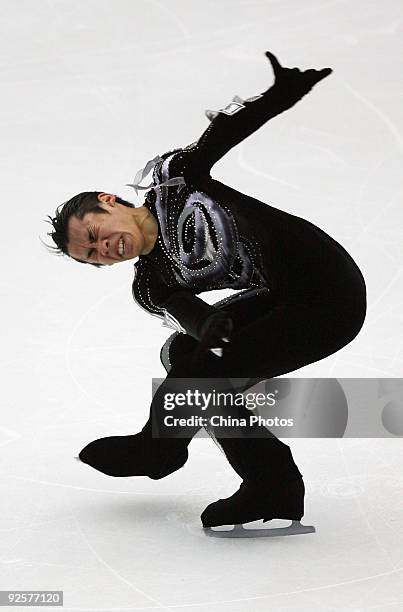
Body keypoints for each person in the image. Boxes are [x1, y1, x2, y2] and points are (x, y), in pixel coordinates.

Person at [45, 51, 366, 535]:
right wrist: (208, 335)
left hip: (331, 295)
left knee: (207, 374)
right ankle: (252, 478)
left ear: (108, 202)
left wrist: (279, 96)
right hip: (283, 299)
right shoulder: (151, 283)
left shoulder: (177, 181)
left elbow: (221, 136)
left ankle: (166, 449)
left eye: (93, 234)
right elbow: (197, 322)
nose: (104, 249)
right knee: (184, 354)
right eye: (92, 257)